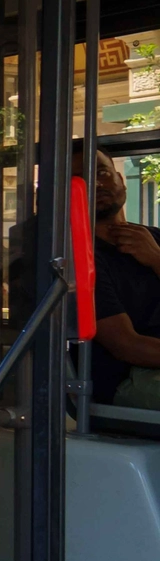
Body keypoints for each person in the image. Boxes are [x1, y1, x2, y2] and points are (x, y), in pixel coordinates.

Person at [78, 144, 160, 406]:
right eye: (82, 179)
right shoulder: (82, 257)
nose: (97, 184)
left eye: (102, 172)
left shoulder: (154, 239)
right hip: (128, 381)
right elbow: (126, 345)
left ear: (120, 180)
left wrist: (157, 260)